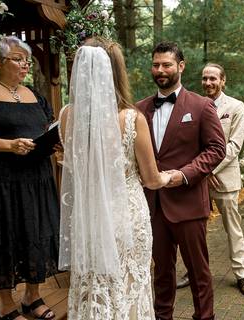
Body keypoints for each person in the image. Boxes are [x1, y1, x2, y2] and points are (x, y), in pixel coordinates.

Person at [58, 40, 171, 319]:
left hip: (88, 216)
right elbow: (152, 179)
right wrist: (171, 176)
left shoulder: (66, 116)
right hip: (126, 216)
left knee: (94, 281)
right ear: (116, 73)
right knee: (129, 283)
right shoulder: (132, 119)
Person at [135, 42, 226, 320]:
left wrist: (183, 174)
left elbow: (216, 149)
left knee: (199, 272)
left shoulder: (201, 106)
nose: (160, 70)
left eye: (167, 65)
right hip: (153, 206)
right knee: (161, 271)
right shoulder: (139, 109)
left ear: (181, 66)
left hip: (188, 205)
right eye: (156, 65)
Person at [0, 36, 59, 320]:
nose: (25, 64)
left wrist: (53, 141)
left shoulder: (35, 95)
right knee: (5, 235)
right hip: (0, 182)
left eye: (26, 59)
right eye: (18, 58)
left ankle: (32, 296)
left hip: (37, 179)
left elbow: (46, 126)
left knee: (36, 233)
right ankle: (6, 303)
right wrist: (9, 145)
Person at [201, 63, 244, 297]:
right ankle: (194, 272)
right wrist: (201, 173)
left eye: (213, 78)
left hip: (223, 178)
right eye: (205, 79)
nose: (208, 83)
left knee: (232, 228)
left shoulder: (235, 106)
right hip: (199, 180)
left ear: (223, 81)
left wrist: (210, 169)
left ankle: (242, 274)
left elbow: (234, 145)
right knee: (196, 231)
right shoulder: (195, 104)